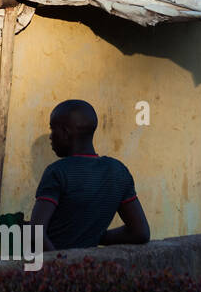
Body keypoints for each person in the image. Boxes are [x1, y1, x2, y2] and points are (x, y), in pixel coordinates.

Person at [28, 99, 149, 251]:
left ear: (66, 133)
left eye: (53, 130)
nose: (51, 137)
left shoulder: (57, 172)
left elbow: (35, 234)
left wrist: (61, 265)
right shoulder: (118, 172)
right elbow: (140, 233)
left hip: (54, 271)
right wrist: (94, 235)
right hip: (88, 266)